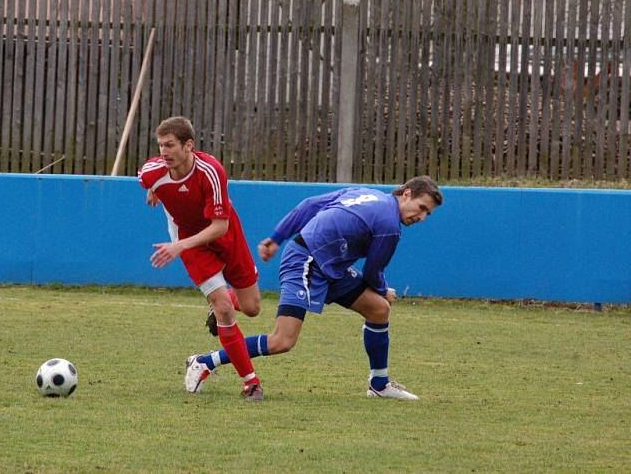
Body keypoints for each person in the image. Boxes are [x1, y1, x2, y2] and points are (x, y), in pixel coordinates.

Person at [184, 176, 443, 400]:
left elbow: (310, 204)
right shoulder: (390, 226)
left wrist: (276, 238)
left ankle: (379, 384)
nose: (421, 217)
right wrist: (384, 288)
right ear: (406, 193)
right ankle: (204, 361)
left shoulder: (366, 193)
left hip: (330, 265)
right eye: (421, 208)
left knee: (378, 310)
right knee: (282, 341)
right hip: (307, 260)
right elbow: (373, 272)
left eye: (427, 214)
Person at [138, 116, 265, 401]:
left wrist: (178, 246)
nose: (164, 152)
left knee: (252, 307)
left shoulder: (211, 171)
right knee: (224, 309)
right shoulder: (152, 171)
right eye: (160, 146)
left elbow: (220, 226)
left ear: (189, 145)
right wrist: (154, 192)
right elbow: (149, 179)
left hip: (224, 234)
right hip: (190, 242)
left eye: (170, 145)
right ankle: (251, 383)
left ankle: (225, 304)